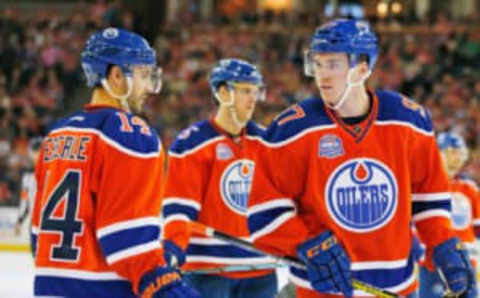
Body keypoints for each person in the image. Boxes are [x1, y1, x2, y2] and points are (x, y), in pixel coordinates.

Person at [246, 19, 475, 298]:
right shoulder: (291, 129)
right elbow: (263, 213)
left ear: (363, 68)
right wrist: (305, 242)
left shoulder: (409, 121)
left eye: (333, 65)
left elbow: (429, 197)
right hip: (320, 292)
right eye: (317, 64)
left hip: (397, 288)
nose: (322, 76)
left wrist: (443, 243)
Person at [30, 27, 199, 298]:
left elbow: (38, 235)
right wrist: (170, 285)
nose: (149, 88)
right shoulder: (130, 135)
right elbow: (130, 247)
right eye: (143, 75)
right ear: (117, 75)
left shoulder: (56, 135)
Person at [161, 58, 278, 298]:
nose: (253, 98)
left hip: (261, 268)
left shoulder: (268, 143)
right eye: (246, 90)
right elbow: (179, 210)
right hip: (209, 269)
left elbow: (282, 204)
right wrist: (172, 248)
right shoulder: (192, 144)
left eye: (256, 91)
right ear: (224, 92)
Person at [418, 132, 480, 298]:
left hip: (464, 264)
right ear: (439, 153)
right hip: (431, 265)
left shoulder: (469, 188)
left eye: (461, 152)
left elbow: (477, 228)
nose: (458, 157)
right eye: (453, 151)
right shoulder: (423, 187)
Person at [14, 137, 42, 254]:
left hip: (50, 223)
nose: (37, 154)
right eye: (35, 151)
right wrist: (19, 221)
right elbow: (25, 202)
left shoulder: (55, 172)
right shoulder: (27, 177)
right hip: (35, 223)